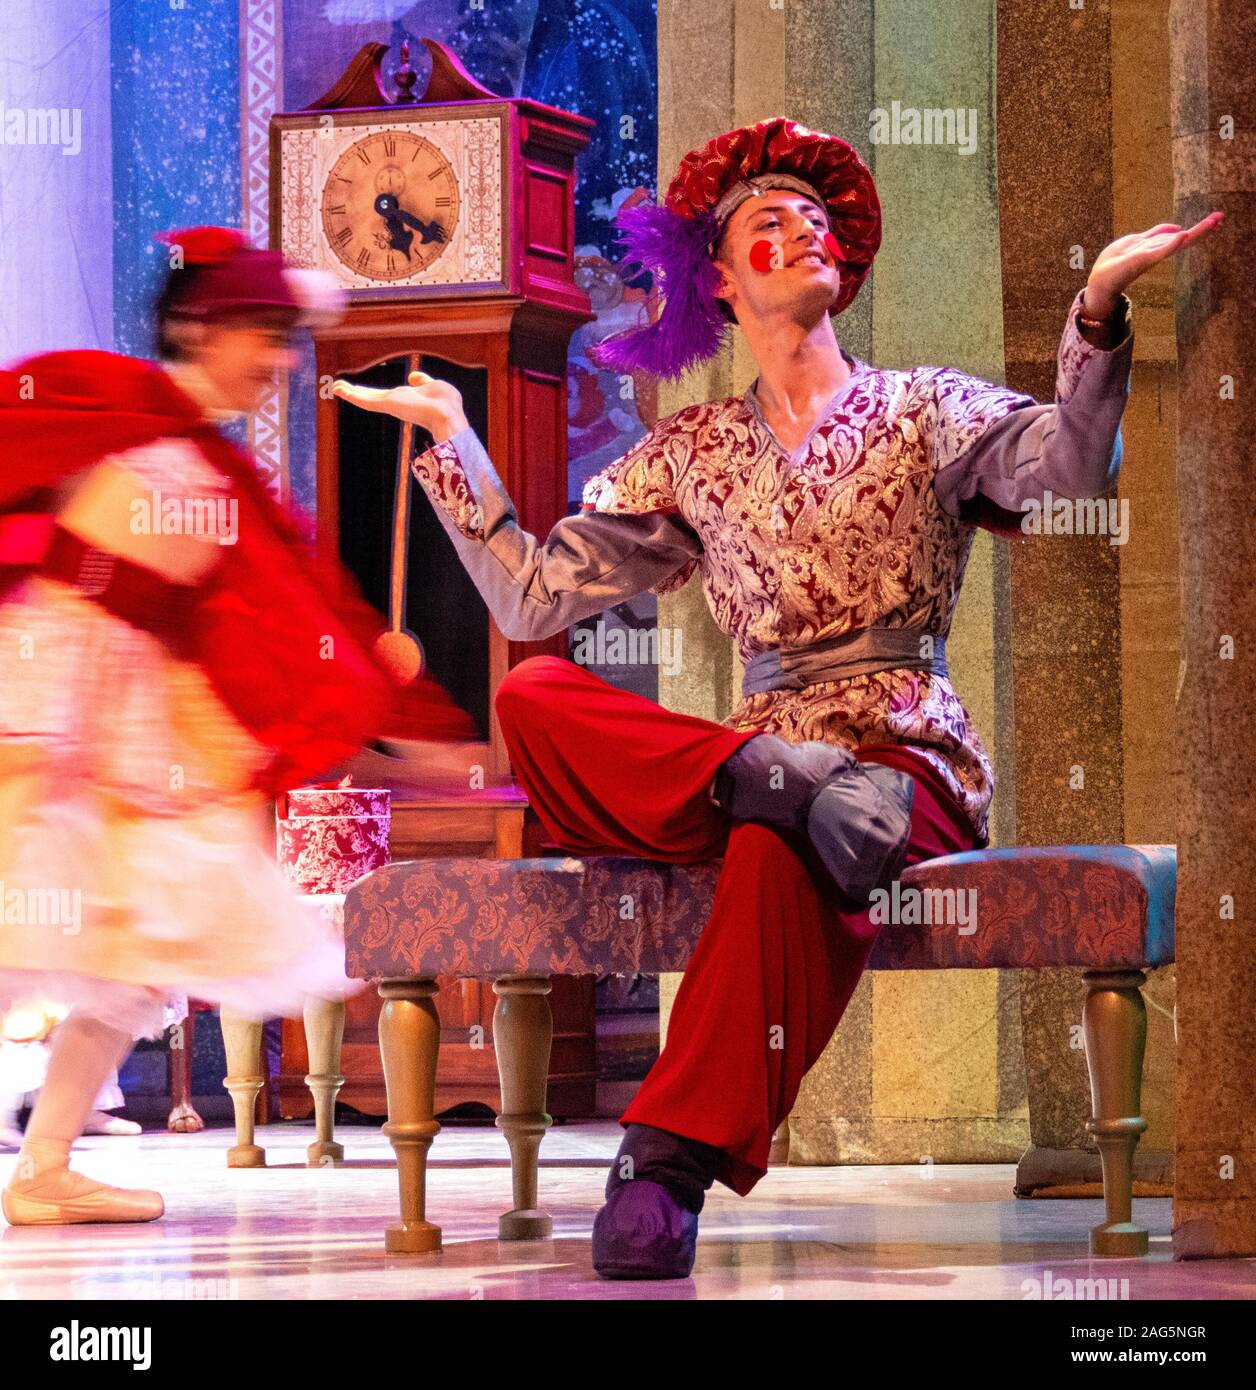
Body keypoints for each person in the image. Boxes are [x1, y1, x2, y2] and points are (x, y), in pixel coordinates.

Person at [332, 118, 1222, 1279]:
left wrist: (1097, 307)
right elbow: (533, 599)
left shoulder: (921, 408)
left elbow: (1065, 468)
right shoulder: (691, 448)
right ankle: (770, 781)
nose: (802, 230)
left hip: (900, 761)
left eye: (815, 221)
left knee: (770, 848)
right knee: (541, 700)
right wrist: (456, 442)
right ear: (716, 276)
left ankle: (663, 1167)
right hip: (760, 752)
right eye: (769, 221)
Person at [0, 226, 392, 1225]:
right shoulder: (115, 413)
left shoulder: (212, 468)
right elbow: (69, 592)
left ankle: (45, 1168)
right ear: (196, 326)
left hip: (135, 744)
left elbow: (274, 613)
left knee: (137, 959)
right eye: (262, 333)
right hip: (50, 723)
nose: (277, 360)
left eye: (284, 338)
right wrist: (47, 747)